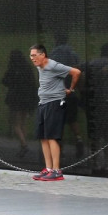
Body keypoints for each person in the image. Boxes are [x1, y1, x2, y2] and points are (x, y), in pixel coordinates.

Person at [29, 43, 81, 181]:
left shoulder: (53, 65)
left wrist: (71, 89)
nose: (32, 58)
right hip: (43, 103)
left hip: (54, 103)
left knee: (52, 136)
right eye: (31, 56)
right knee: (44, 136)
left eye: (34, 55)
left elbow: (76, 72)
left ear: (42, 55)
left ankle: (57, 171)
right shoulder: (40, 66)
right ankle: (48, 169)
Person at [84, 43, 108, 177]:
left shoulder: (92, 62)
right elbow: (106, 69)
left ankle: (95, 164)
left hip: (93, 102)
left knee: (96, 136)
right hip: (105, 102)